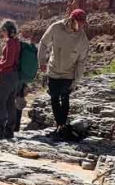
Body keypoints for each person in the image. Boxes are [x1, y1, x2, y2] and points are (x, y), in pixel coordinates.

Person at [38, 9, 90, 139]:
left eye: (83, 23)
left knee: (65, 99)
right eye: (80, 22)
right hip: (53, 71)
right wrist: (42, 61)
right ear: (72, 20)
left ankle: (61, 127)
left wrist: (77, 80)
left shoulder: (82, 38)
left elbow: (82, 61)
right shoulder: (56, 27)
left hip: (68, 74)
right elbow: (43, 43)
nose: (82, 25)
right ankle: (59, 126)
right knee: (54, 99)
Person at [0, 20, 21, 140]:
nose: (2, 33)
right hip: (13, 75)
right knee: (9, 102)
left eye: (3, 30)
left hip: (7, 75)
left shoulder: (10, 43)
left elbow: (8, 62)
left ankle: (0, 129)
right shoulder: (16, 42)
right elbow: (7, 60)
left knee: (0, 101)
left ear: (7, 30)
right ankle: (9, 130)